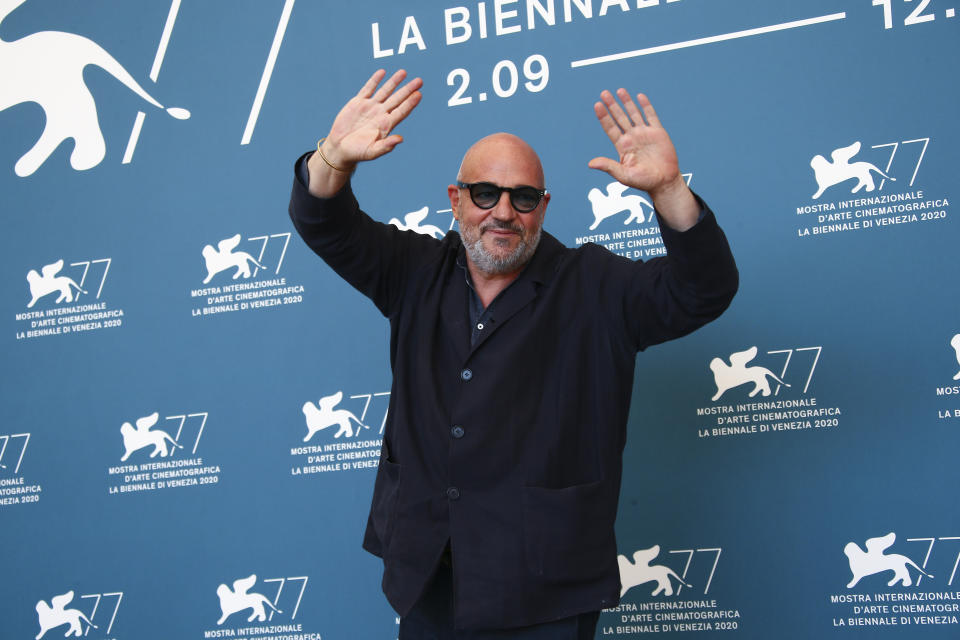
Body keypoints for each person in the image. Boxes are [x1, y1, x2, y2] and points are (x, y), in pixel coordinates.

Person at [288, 69, 738, 639]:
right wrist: (333, 157)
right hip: (428, 577)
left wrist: (670, 191)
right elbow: (323, 222)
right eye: (485, 194)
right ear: (456, 200)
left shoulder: (596, 286)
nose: (503, 212)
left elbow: (705, 290)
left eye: (523, 197)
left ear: (543, 206)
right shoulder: (411, 271)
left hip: (545, 590)